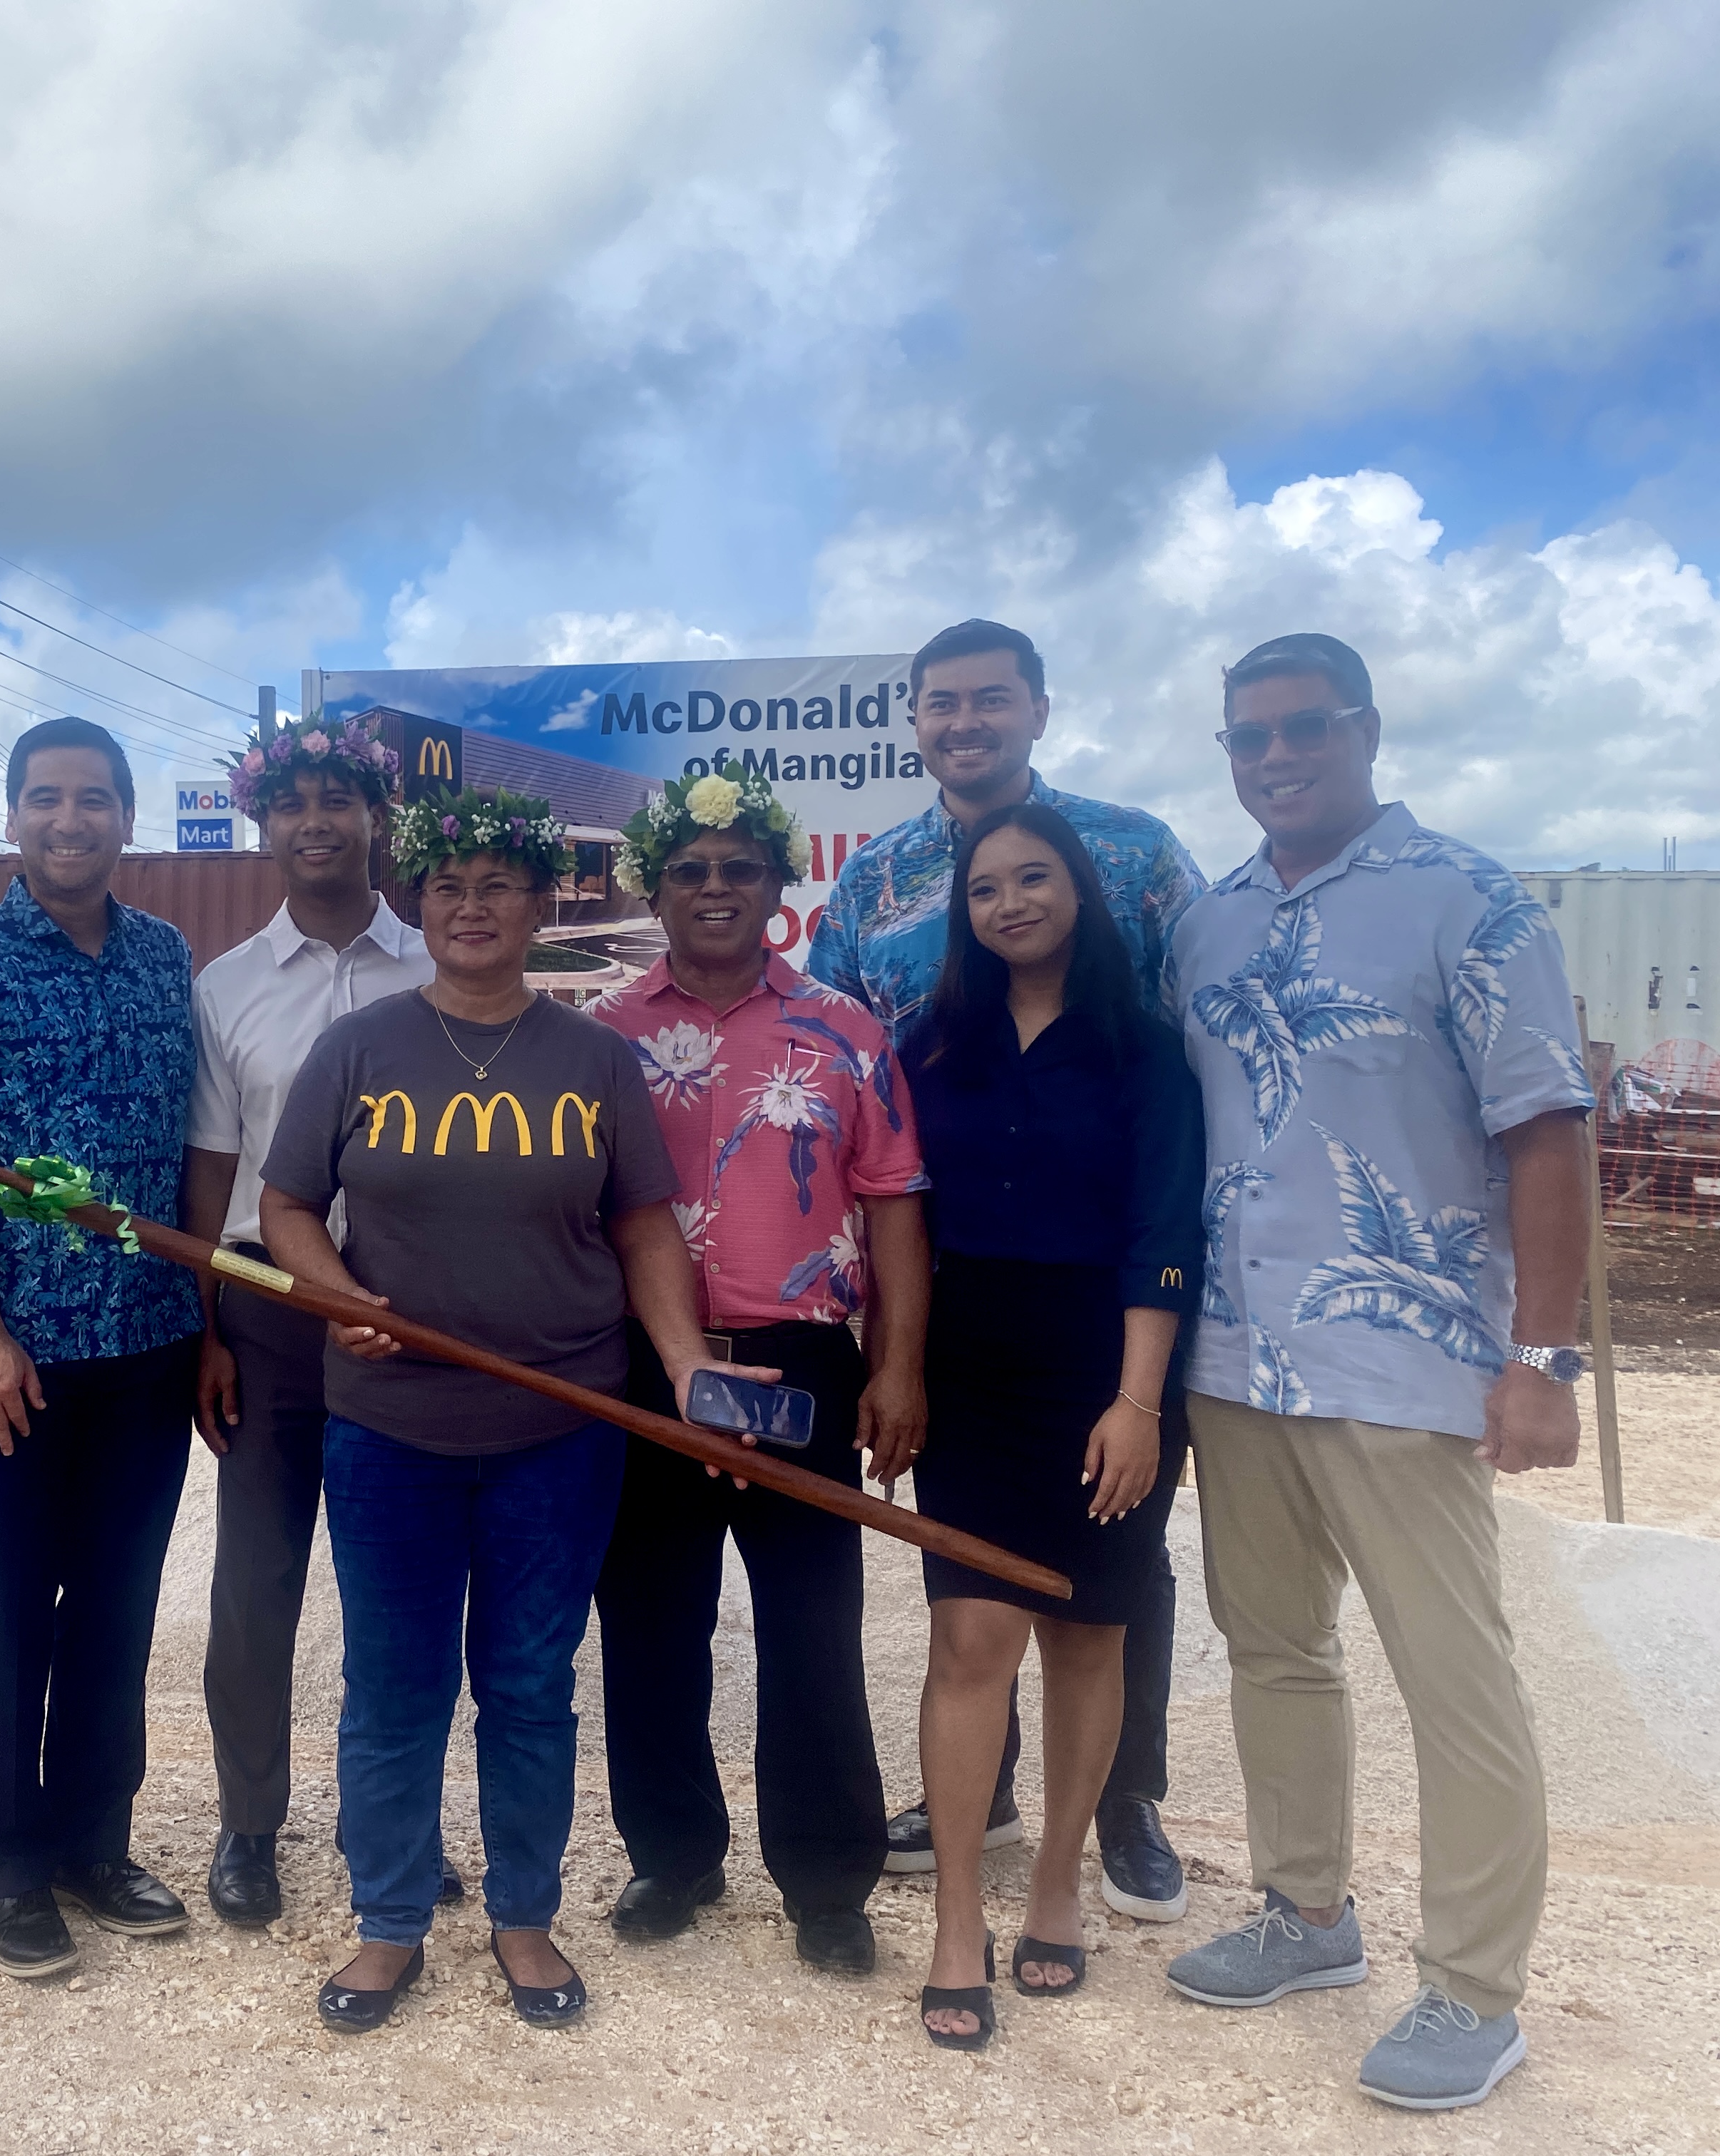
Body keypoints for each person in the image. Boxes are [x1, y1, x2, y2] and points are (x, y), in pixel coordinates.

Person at [258, 786, 767, 2036]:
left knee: (531, 1684)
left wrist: (691, 1367)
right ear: (418, 907)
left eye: (499, 886)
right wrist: (337, 1296)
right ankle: (387, 1924)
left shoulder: (595, 1058)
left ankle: (523, 1915)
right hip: (387, 1427)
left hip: (559, 1429)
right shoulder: (358, 1049)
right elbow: (284, 1211)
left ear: (543, 907)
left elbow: (643, 1226)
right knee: (393, 1687)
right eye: (449, 888)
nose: (473, 907)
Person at [1165, 634, 1590, 2112]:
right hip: (1238, 1358)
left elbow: (1548, 1127)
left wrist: (1544, 1357)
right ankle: (1308, 1916)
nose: (1275, 758)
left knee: (1453, 1678)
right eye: (1247, 738)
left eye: (1304, 729)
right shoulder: (1207, 925)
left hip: (1407, 1359)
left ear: (1367, 731)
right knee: (1277, 1650)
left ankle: (1474, 1989)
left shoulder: (1467, 903)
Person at [807, 616, 1206, 1924]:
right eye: (940, 704)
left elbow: (1198, 1043)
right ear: (913, 721)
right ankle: (987, 1798)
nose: (964, 723)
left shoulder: (1139, 853)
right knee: (975, 1611)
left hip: (1106, 1289)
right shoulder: (870, 885)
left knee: (1112, 1588)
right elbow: (839, 1076)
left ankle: (1125, 1804)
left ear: (1038, 707)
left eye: (991, 700)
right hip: (964, 1296)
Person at [583, 767, 931, 1972]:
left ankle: (829, 1879)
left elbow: (892, 1206)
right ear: (657, 888)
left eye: (741, 868)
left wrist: (895, 1368)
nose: (717, 888)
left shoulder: (846, 1031)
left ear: (781, 887)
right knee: (648, 1619)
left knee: (812, 1624)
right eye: (692, 869)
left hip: (801, 1365)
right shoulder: (603, 1038)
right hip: (647, 1364)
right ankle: (671, 1855)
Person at [0, 716, 203, 1982]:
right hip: (10, 1354)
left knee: (118, 1609)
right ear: (11, 818)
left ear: (126, 817)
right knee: (8, 1610)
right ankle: (9, 1868)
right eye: (44, 798)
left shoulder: (166, 956)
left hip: (148, 1341)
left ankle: (93, 1840)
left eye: (93, 798)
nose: (68, 819)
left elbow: (191, 1149)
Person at [898, 801, 1204, 2050]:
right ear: (963, 916)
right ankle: (959, 1915)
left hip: (1106, 1376)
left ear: (1079, 889)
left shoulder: (1149, 1052)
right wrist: (900, 1373)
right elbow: (901, 1223)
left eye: (1034, 879)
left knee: (1088, 1636)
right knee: (971, 1640)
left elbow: (1164, 1231)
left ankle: (1062, 1882)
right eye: (985, 890)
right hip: (971, 1375)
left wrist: (1138, 1405)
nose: (1011, 902)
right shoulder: (930, 1047)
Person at [183, 714, 464, 1926]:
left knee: (401, 1585)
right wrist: (205, 1328)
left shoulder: (442, 968)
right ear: (262, 823)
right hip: (269, 1315)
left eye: (336, 800)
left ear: (376, 819)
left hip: (416, 1317)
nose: (314, 822)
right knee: (257, 1588)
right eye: (290, 802)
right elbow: (210, 1174)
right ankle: (250, 1826)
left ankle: (393, 1823)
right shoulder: (227, 987)